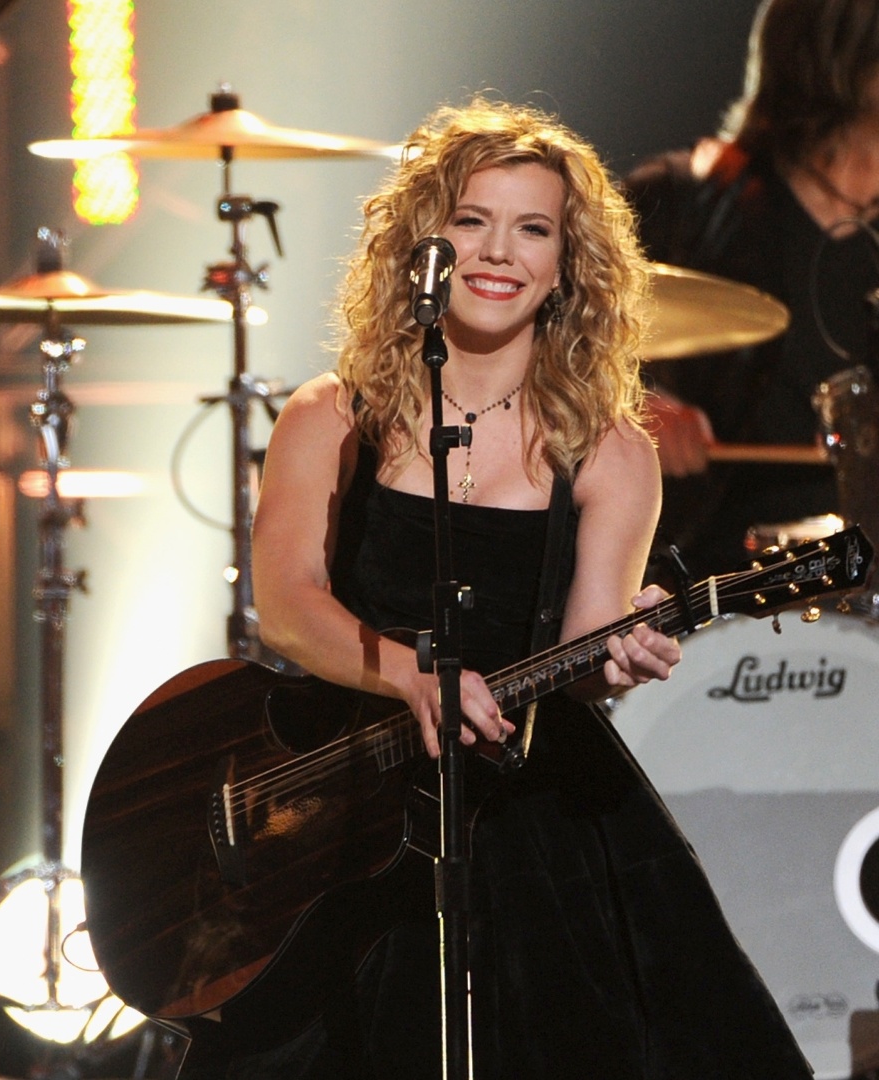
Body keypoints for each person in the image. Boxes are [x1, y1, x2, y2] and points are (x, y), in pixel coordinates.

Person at [212, 103, 812, 1079]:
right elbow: (286, 603)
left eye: (532, 229)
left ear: (569, 262)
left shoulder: (616, 451)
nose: (500, 252)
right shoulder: (333, 413)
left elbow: (587, 654)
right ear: (423, 245)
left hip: (532, 805)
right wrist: (416, 678)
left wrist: (620, 656)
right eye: (472, 221)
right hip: (341, 785)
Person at [628, 0, 879, 579]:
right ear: (841, 53)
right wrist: (628, 413)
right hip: (706, 588)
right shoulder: (681, 202)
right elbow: (542, 364)